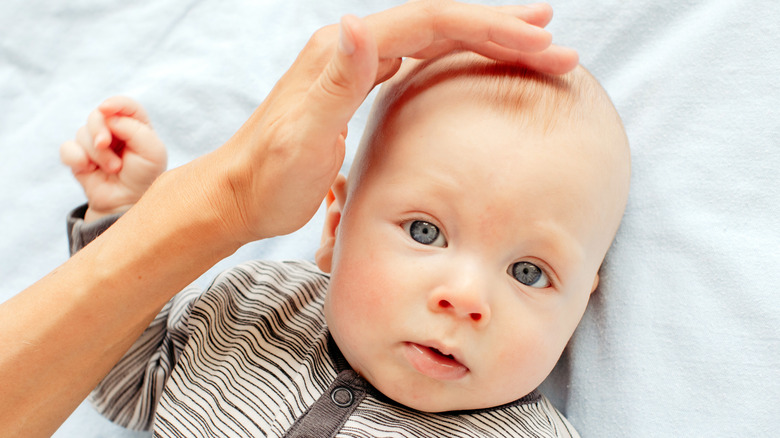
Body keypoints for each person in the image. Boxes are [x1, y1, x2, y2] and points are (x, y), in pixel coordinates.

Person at [0, 2, 585, 436]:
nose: (463, 296)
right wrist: (120, 216)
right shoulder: (251, 308)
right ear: (336, 229)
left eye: (529, 272)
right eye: (424, 232)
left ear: (582, 304)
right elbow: (119, 384)